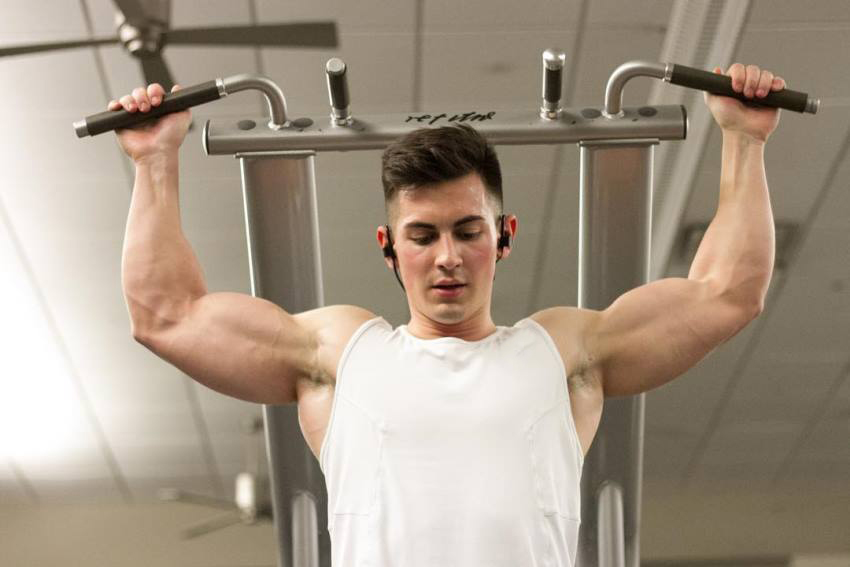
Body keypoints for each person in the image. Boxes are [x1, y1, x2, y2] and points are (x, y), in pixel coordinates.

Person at [112, 63, 785, 566]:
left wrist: (743, 140)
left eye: (468, 230)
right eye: (423, 235)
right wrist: (153, 160)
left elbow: (728, 292)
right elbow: (165, 315)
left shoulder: (564, 351)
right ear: (389, 248)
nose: (448, 258)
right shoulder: (339, 354)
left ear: (504, 235)